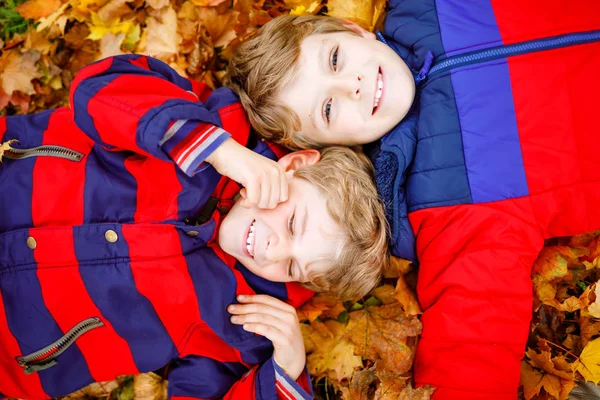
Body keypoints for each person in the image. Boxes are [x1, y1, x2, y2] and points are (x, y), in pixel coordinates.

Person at [226, 2, 600, 399]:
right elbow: (472, 340)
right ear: (332, 146)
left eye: (335, 59)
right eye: (329, 109)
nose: (350, 86)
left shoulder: (428, 6)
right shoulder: (445, 209)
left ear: (354, 30)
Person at [0, 54, 388, 399]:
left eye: (292, 268)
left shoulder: (241, 323)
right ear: (293, 167)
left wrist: (285, 373)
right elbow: (97, 87)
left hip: (11, 331)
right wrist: (216, 148)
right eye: (292, 223)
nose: (273, 250)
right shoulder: (219, 123)